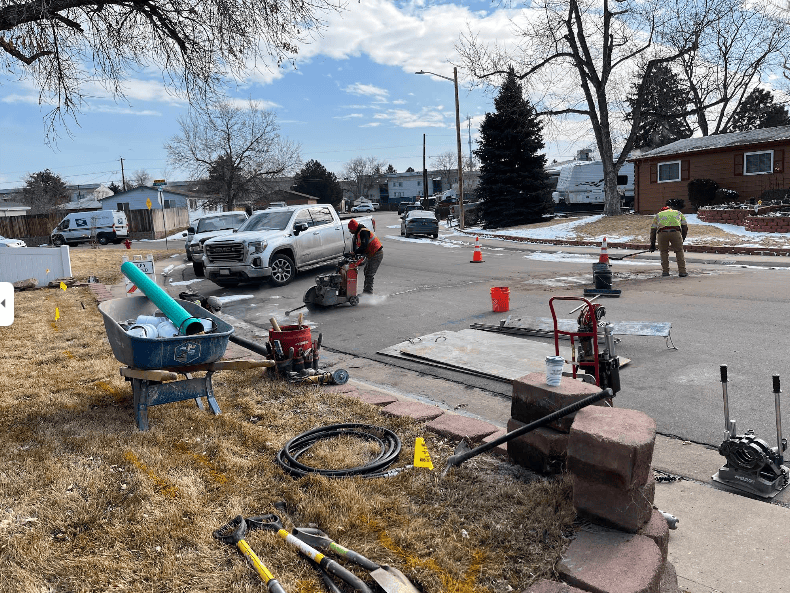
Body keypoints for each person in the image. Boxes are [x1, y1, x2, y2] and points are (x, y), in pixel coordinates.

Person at [650, 202, 688, 277]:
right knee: (679, 251)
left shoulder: (658, 215)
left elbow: (653, 231)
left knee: (663, 252)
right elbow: (685, 227)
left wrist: (652, 244)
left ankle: (665, 272)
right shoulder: (678, 213)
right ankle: (682, 271)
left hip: (662, 233)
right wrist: (682, 238)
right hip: (675, 232)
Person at [348, 218, 383, 294]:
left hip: (377, 253)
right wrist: (355, 254)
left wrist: (355, 253)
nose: (350, 231)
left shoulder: (363, 232)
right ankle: (366, 291)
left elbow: (364, 246)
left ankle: (368, 293)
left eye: (350, 229)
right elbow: (359, 247)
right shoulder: (357, 233)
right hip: (372, 253)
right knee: (366, 271)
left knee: (369, 273)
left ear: (354, 228)